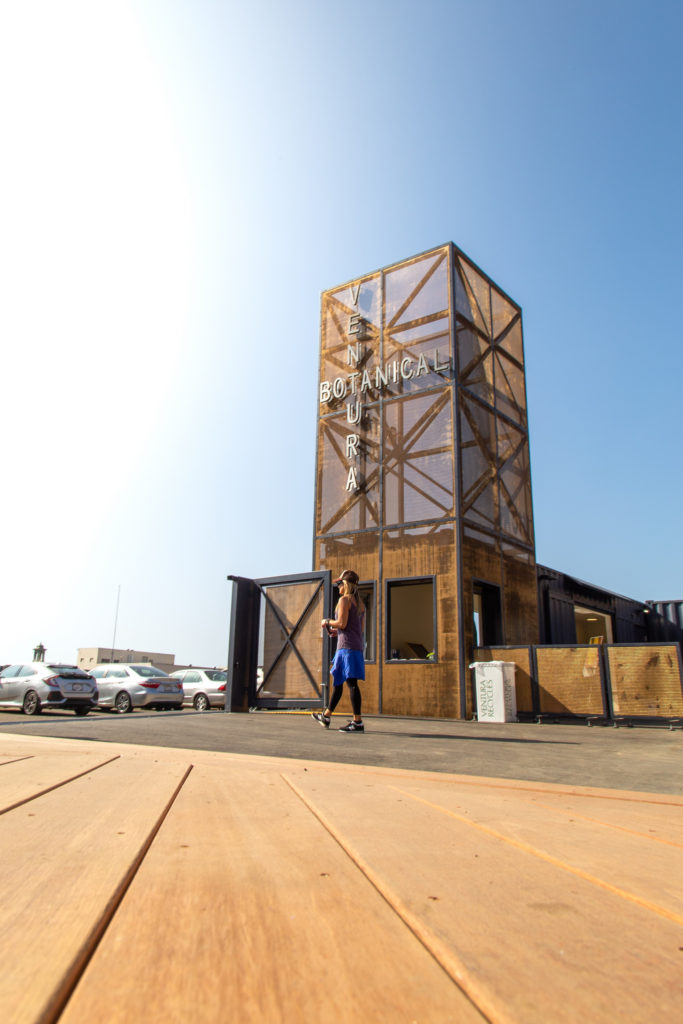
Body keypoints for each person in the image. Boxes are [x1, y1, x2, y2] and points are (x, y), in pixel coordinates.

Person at [312, 569, 365, 732]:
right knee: (339, 682)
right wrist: (336, 632)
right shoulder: (361, 604)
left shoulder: (344, 600)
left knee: (350, 684)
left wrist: (326, 621)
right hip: (354, 647)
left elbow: (341, 623)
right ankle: (326, 716)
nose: (338, 586)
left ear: (346, 584)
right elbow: (357, 628)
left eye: (339, 583)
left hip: (346, 649)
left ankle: (357, 722)